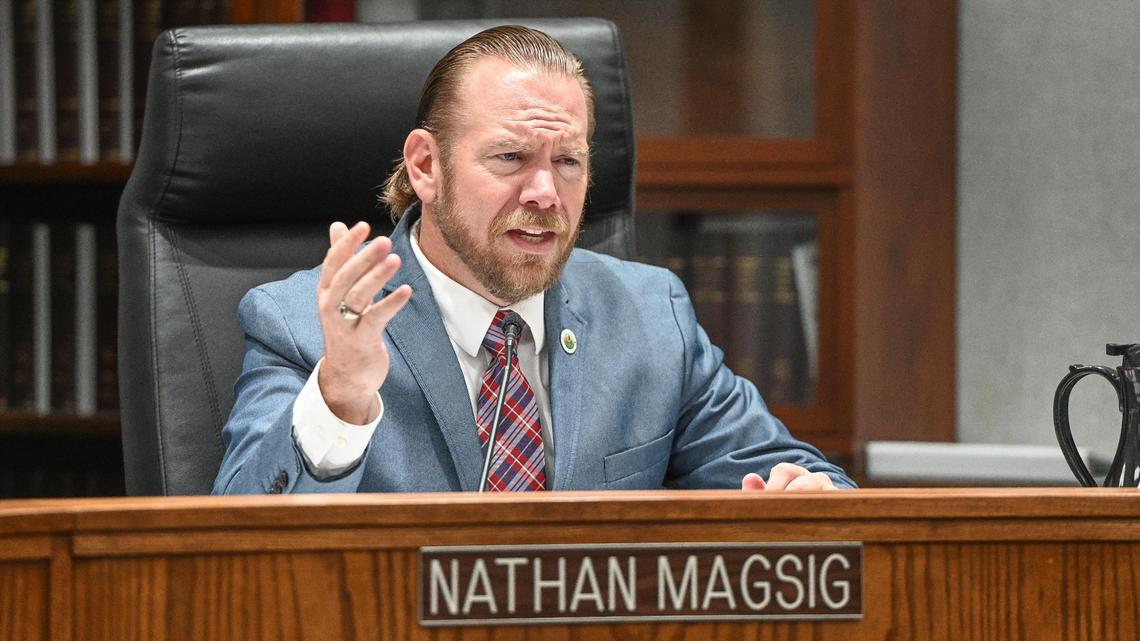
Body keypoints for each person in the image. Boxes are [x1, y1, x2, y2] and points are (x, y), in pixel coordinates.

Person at [213, 25, 854, 495]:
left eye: (568, 161)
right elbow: (240, 546)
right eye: (511, 158)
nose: (545, 193)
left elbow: (802, 480)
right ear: (426, 166)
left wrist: (806, 495)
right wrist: (340, 399)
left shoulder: (650, 317)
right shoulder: (303, 324)